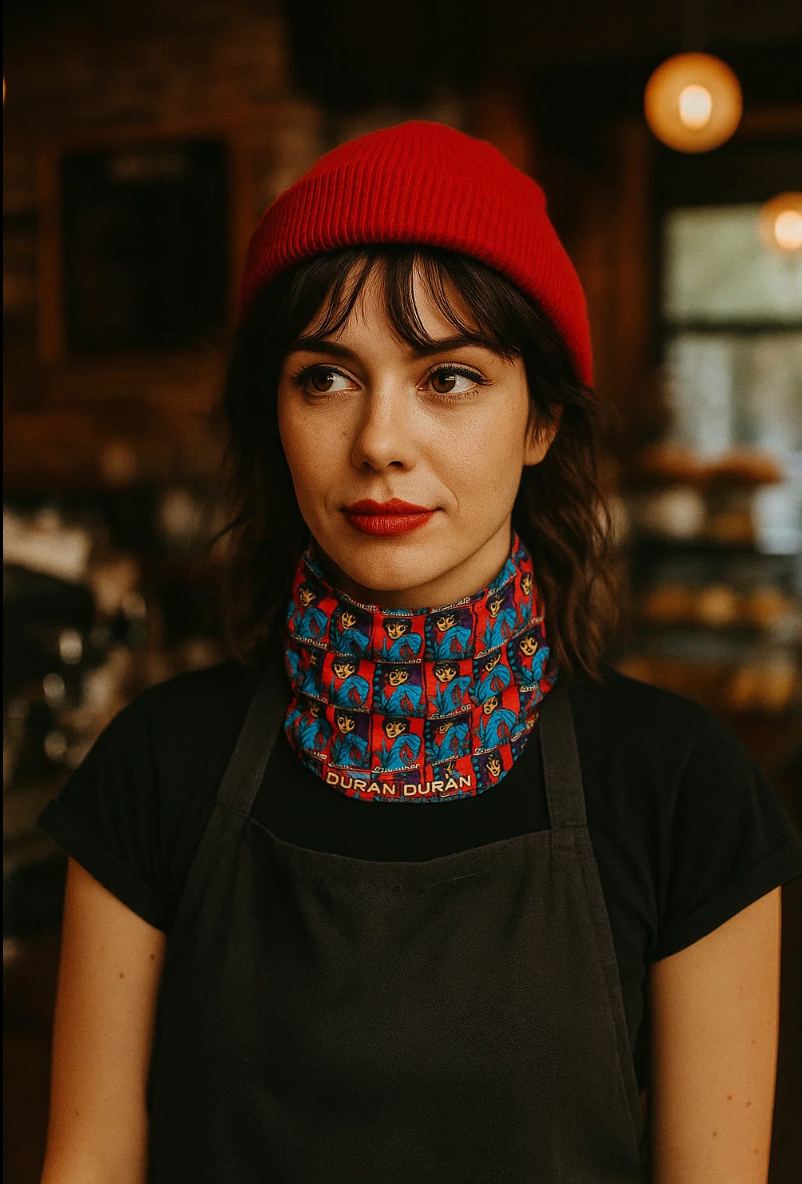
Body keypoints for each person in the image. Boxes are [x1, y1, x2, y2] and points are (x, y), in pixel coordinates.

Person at [39, 121, 802, 1183]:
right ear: (276, 413)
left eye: (448, 377)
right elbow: (87, 1164)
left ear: (540, 420)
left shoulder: (679, 789)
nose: (379, 441)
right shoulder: (155, 766)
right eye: (325, 377)